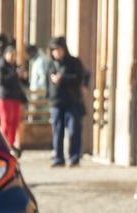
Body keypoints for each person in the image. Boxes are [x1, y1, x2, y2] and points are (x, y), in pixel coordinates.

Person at [46, 36, 86, 166]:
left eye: (57, 49)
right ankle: (58, 158)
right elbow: (48, 84)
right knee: (57, 131)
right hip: (56, 102)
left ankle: (74, 157)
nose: (55, 52)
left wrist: (62, 78)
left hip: (72, 101)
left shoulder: (74, 62)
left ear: (63, 49)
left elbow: (79, 79)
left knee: (74, 130)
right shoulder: (51, 64)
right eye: (53, 50)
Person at [0, 44, 28, 153]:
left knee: (14, 121)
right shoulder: (0, 65)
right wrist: (15, 74)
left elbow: (22, 83)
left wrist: (24, 76)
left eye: (14, 54)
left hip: (15, 97)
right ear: (5, 54)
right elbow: (0, 81)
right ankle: (2, 144)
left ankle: (11, 144)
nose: (12, 56)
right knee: (5, 121)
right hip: (4, 97)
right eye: (10, 54)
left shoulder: (15, 66)